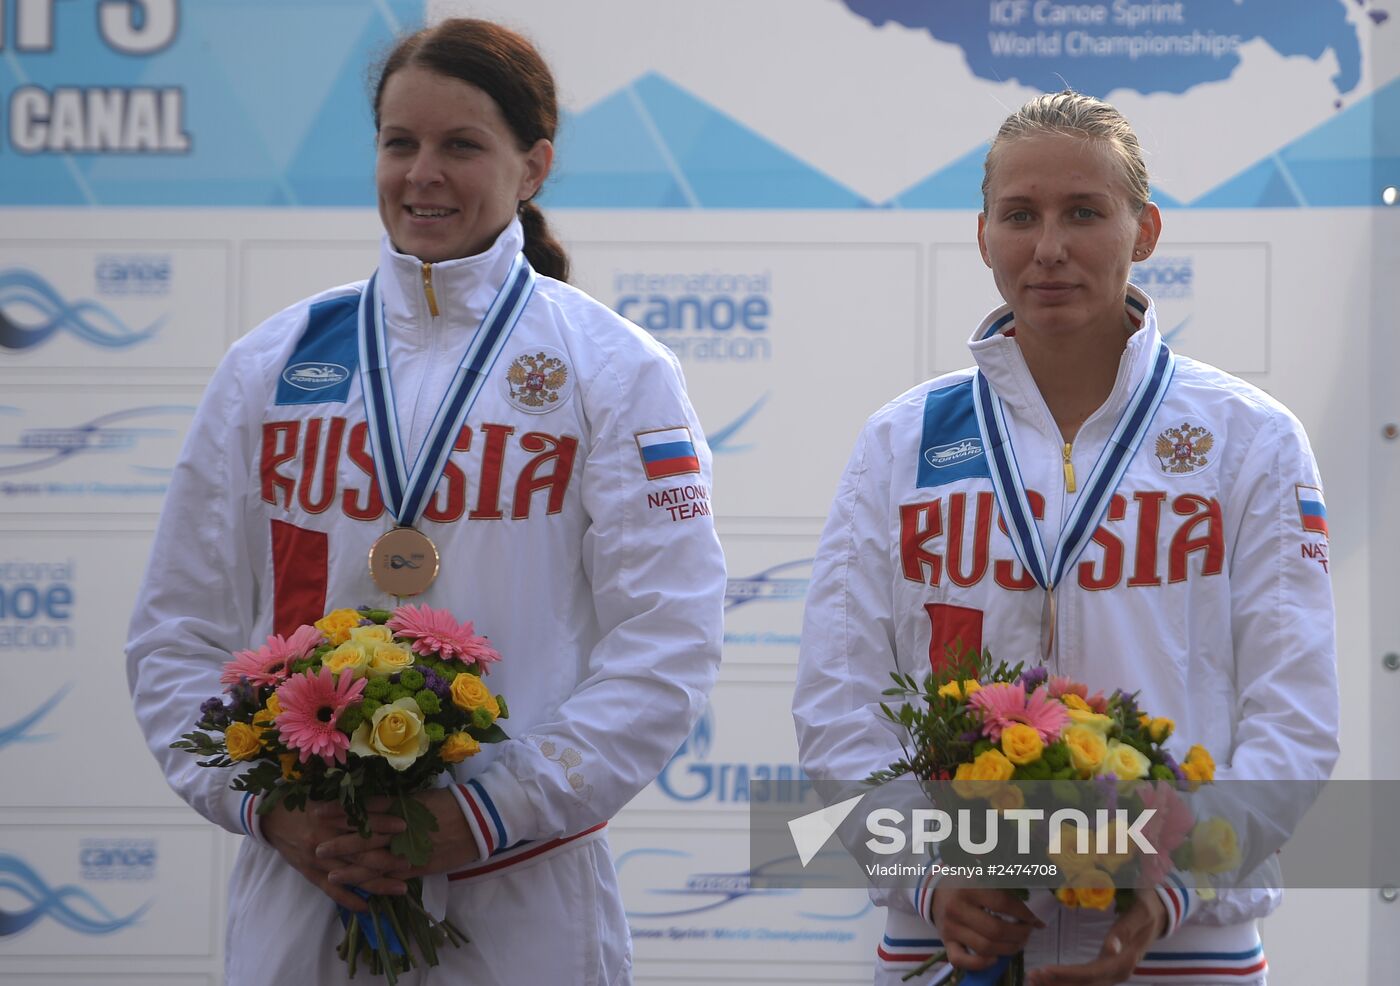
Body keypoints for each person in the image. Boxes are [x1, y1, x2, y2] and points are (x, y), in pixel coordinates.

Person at [126, 18, 725, 985]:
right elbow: (174, 636)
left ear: (532, 167)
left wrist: (486, 812)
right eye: (399, 143)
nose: (422, 174)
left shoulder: (616, 369)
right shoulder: (271, 367)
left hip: (523, 894)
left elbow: (668, 645)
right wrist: (272, 808)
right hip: (308, 888)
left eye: (461, 145)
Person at [793, 91, 1338, 986]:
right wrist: (930, 874)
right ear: (982, 235)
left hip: (1178, 940)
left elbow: (1294, 719)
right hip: (956, 933)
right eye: (1021, 215)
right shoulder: (901, 441)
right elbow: (838, 707)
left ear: (1145, 229)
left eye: (1084, 212)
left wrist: (1174, 886)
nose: (1049, 247)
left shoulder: (1250, 437)